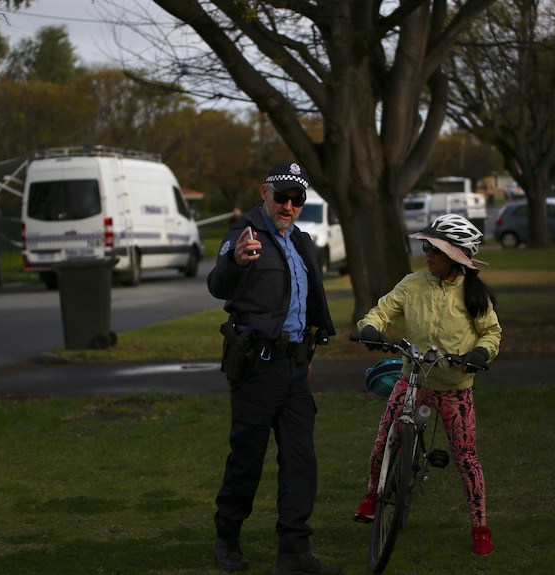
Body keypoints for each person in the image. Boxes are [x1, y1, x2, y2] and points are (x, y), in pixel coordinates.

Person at [207, 160, 340, 575]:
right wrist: (238, 263)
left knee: (301, 460)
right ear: (263, 192)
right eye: (280, 196)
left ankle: (294, 553)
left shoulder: (302, 242)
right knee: (247, 458)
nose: (287, 205)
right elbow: (218, 285)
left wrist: (308, 352)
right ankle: (226, 538)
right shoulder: (242, 236)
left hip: (295, 369)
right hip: (257, 369)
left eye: (296, 199)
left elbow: (308, 306)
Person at [352, 213, 502, 556]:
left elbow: (491, 332)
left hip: (455, 387)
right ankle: (373, 496)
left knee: (466, 457)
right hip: (414, 378)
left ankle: (480, 525)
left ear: (456, 255)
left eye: (433, 248)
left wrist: (481, 353)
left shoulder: (473, 293)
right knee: (383, 440)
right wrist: (371, 328)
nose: (426, 252)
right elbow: (382, 310)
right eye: (426, 245)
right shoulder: (413, 283)